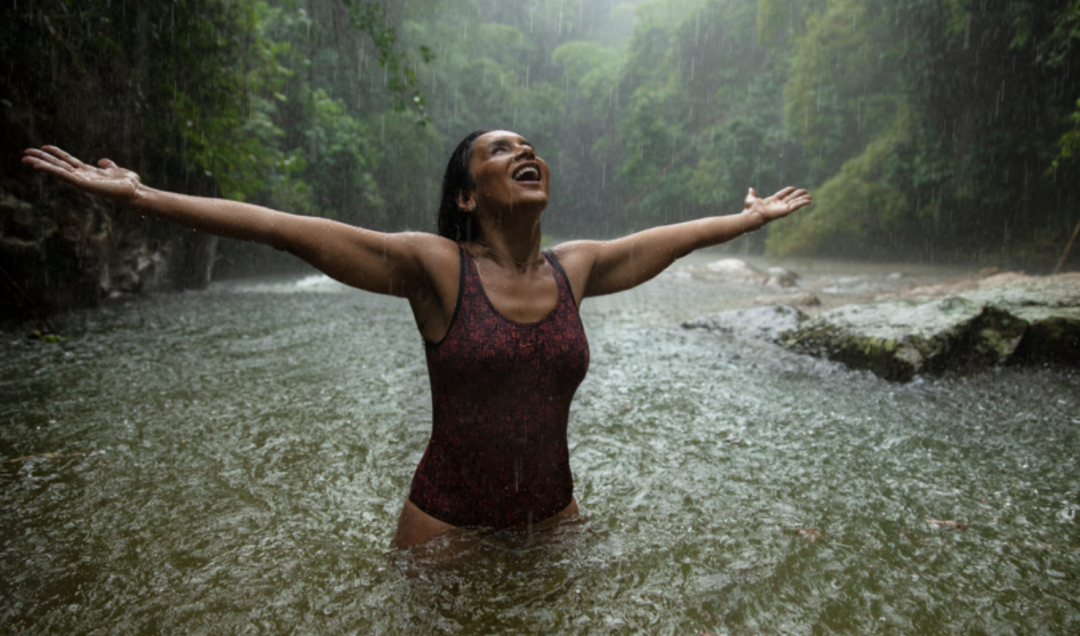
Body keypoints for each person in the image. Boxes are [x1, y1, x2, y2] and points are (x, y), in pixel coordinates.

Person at [23, 131, 811, 549]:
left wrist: (747, 220)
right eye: (501, 150)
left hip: (554, 522)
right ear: (468, 196)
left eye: (529, 146)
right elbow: (285, 228)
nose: (524, 152)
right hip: (448, 533)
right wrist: (142, 196)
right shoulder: (434, 268)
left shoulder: (577, 269)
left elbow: (666, 238)